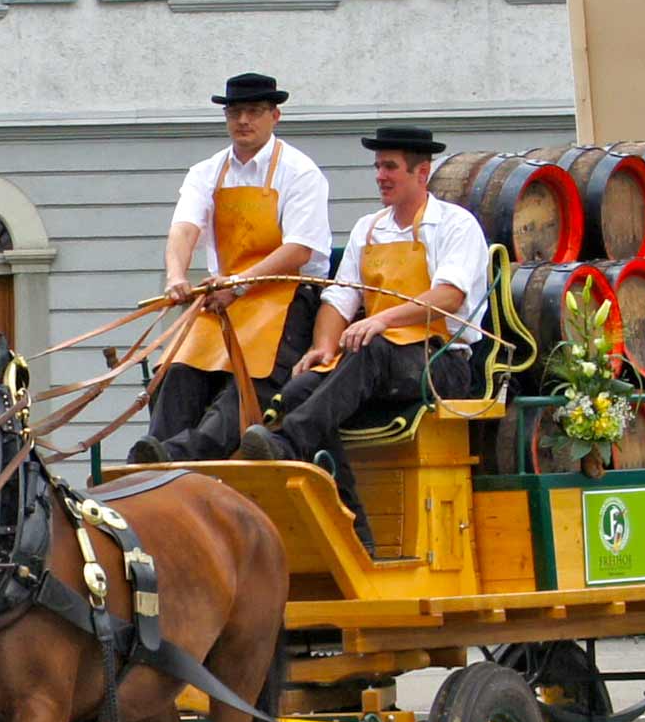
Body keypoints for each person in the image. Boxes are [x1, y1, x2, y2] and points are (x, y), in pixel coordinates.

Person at [237, 125, 489, 550]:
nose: (380, 176)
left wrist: (383, 319)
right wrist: (323, 346)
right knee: (301, 386)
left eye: (390, 167)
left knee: (371, 348)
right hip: (378, 357)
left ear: (421, 172)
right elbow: (339, 298)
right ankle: (356, 535)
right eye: (377, 167)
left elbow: (449, 295)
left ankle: (289, 441)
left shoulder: (455, 224)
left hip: (441, 360)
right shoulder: (367, 229)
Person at [125, 72, 332, 465]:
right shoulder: (207, 172)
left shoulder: (300, 172)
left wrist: (238, 283)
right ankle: (153, 456)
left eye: (254, 111)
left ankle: (174, 456)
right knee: (177, 371)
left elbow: (299, 249)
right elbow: (184, 228)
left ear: (275, 116)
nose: (243, 121)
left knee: (248, 384)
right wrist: (176, 277)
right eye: (235, 112)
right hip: (223, 300)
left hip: (285, 298)